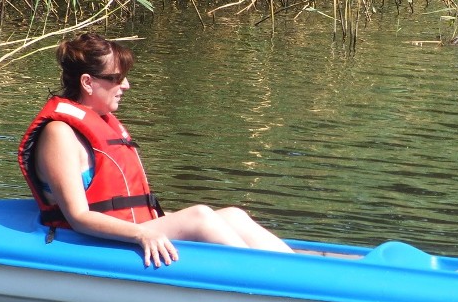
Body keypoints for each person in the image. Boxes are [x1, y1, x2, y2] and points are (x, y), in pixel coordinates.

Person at [18, 32, 293, 267]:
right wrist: (141, 235)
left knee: (234, 216)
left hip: (127, 226)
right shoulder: (59, 134)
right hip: (81, 240)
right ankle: (264, 281)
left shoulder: (100, 123)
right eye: (116, 78)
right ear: (88, 82)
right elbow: (78, 217)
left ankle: (298, 271)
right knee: (199, 216)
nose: (125, 85)